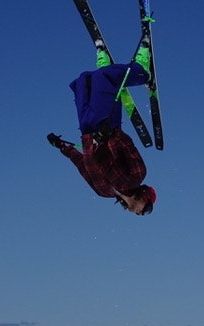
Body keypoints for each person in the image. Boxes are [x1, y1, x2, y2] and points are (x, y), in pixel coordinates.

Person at [46, 54, 157, 215]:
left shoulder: (104, 192)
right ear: (145, 197)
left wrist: (62, 147)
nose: (140, 213)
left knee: (83, 82)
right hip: (106, 124)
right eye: (146, 209)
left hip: (87, 133)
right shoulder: (137, 176)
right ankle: (143, 73)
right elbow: (128, 146)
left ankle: (106, 67)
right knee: (103, 78)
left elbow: (83, 165)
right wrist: (111, 133)